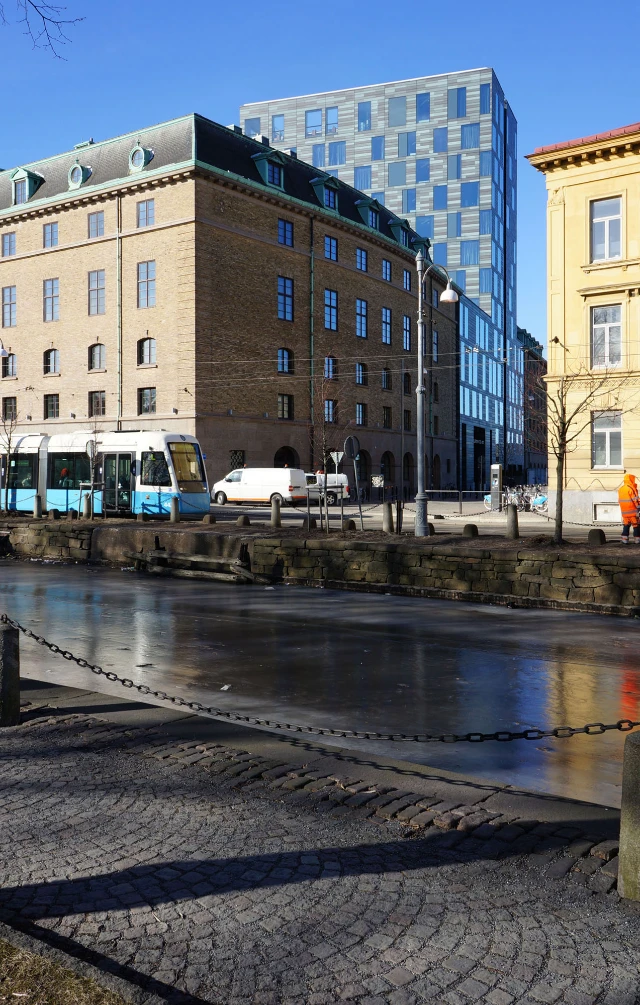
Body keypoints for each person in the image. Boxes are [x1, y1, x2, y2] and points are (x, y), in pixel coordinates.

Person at [618, 474, 640, 544]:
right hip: (633, 511)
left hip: (624, 512)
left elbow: (620, 500)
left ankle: (624, 540)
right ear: (631, 480)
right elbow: (635, 500)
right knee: (636, 525)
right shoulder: (631, 488)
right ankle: (637, 540)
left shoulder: (621, 488)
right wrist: (639, 508)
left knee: (626, 525)